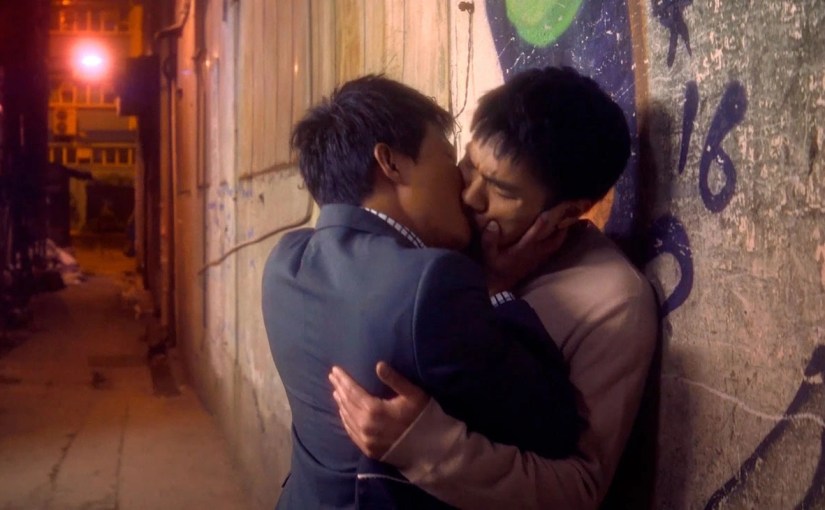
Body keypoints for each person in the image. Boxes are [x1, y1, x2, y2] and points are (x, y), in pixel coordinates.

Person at [329, 67, 659, 509]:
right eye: (469, 165)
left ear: (567, 213)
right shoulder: (450, 237)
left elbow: (578, 488)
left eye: (501, 190)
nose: (470, 197)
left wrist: (424, 447)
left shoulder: (613, 302)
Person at [261, 74, 582, 510]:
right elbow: (556, 424)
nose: (463, 190)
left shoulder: (284, 264)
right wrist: (495, 286)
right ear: (390, 163)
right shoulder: (432, 284)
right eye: (449, 159)